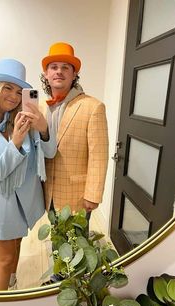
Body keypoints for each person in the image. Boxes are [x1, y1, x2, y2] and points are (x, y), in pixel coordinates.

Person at [0, 58, 56, 291]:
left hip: (26, 199)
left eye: (19, 91)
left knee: (16, 246)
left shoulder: (23, 119)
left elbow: (49, 152)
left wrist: (43, 128)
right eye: (7, 88)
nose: (14, 96)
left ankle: (12, 286)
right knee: (4, 259)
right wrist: (15, 140)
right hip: (2, 203)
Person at [40, 42, 109, 283]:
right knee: (57, 235)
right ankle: (60, 277)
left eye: (65, 67)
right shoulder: (39, 107)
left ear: (74, 74)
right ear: (46, 75)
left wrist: (93, 193)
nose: (58, 71)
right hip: (48, 189)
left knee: (77, 239)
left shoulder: (92, 107)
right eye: (53, 67)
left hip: (77, 192)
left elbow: (99, 154)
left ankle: (78, 285)